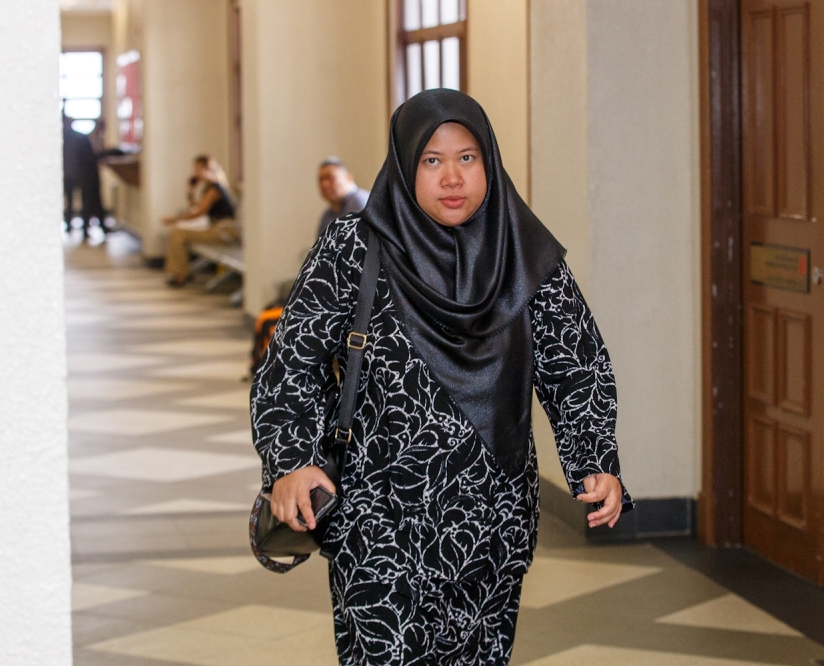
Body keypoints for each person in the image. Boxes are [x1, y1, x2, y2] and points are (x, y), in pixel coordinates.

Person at [251, 89, 631, 665]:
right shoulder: (354, 248)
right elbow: (292, 361)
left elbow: (575, 363)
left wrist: (594, 458)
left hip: (494, 519)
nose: (452, 177)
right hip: (379, 518)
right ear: (406, 164)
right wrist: (291, 459)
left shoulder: (523, 252)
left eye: (467, 158)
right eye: (432, 160)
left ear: (489, 161)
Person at [163, 155, 238, 287]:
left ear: (207, 170)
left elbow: (199, 213)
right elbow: (195, 208)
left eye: (198, 170)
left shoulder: (215, 189)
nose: (195, 173)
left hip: (223, 231)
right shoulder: (208, 188)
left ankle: (181, 275)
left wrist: (174, 219)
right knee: (178, 231)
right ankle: (181, 273)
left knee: (177, 232)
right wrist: (190, 193)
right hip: (215, 228)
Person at [63, 115, 106, 237]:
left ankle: (71, 225)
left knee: (70, 201)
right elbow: (90, 157)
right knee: (84, 201)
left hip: (68, 173)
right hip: (80, 173)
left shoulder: (63, 137)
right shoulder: (80, 137)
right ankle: (84, 229)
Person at [316, 157, 369, 237]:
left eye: (330, 177)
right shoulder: (327, 215)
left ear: (348, 178)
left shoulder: (359, 202)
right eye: (321, 179)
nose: (324, 185)